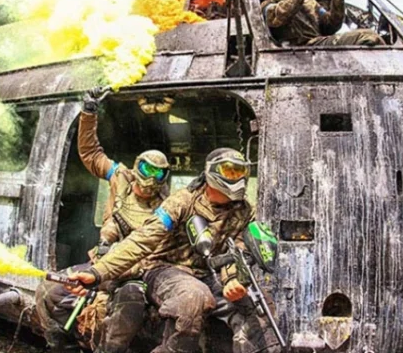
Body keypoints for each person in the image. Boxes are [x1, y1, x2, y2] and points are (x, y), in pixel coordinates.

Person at [69, 148, 281, 353]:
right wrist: (98, 272)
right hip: (165, 270)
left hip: (209, 274)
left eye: (241, 172)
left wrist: (233, 279)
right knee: (193, 298)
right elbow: (142, 240)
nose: (238, 179)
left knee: (258, 303)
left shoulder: (245, 211)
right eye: (230, 171)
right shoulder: (183, 201)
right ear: (211, 173)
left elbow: (237, 252)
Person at [35, 87, 170, 353]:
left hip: (132, 275)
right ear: (136, 166)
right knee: (49, 290)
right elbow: (90, 153)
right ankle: (62, 346)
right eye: (146, 169)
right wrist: (89, 112)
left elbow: (155, 254)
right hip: (98, 265)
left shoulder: (166, 210)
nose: (150, 179)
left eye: (158, 174)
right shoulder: (119, 177)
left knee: (124, 315)